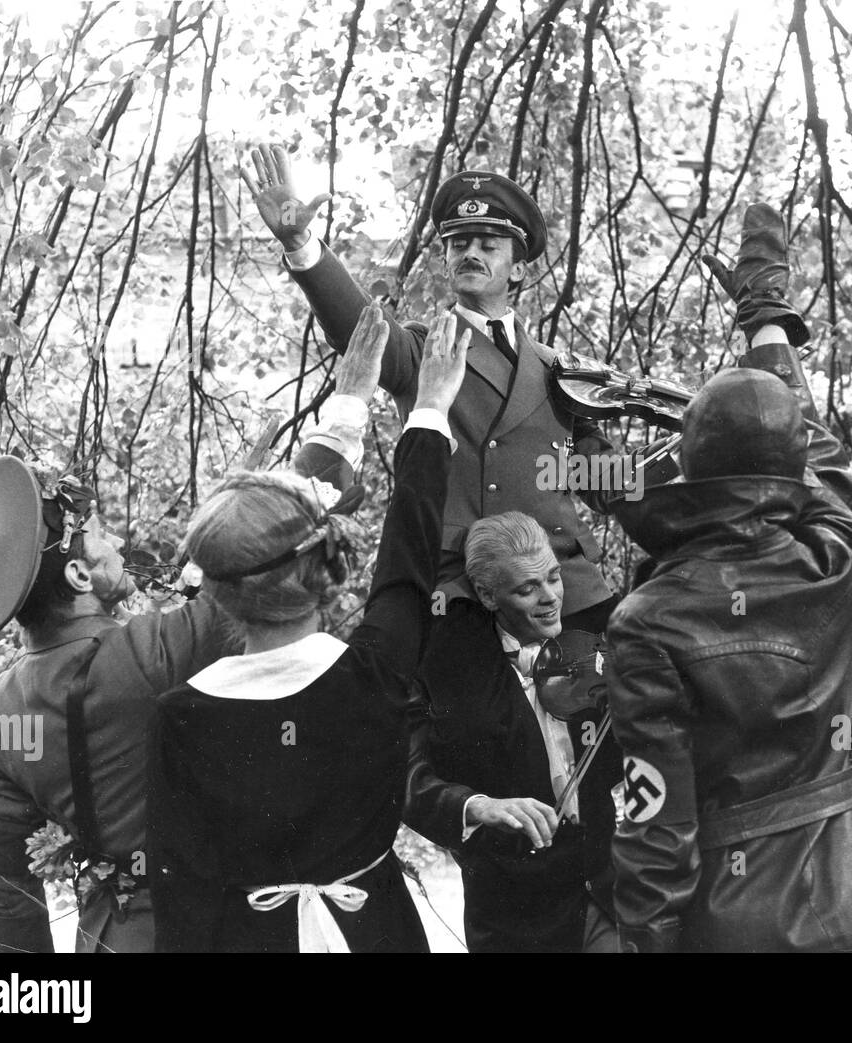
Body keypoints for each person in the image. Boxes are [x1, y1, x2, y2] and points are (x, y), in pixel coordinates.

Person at [0, 313, 382, 954]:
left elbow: (3, 886)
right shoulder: (150, 656)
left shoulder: (2, 707)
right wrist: (348, 407)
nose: (117, 542)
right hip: (205, 929)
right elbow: (268, 551)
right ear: (78, 575)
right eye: (100, 536)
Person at [243, 146, 675, 634]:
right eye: (460, 243)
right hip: (461, 587)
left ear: (518, 269)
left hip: (562, 582)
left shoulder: (559, 371)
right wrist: (301, 244)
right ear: (447, 261)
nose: (471, 253)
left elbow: (601, 482)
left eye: (488, 245)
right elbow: (360, 327)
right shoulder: (424, 351)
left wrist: (682, 450)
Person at [146, 308, 467, 953]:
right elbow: (409, 553)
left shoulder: (178, 715)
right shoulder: (376, 673)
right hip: (377, 933)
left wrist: (348, 408)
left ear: (215, 593)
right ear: (327, 572)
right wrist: (429, 409)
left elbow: (179, 892)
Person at [605, 363, 852, 952]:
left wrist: (647, 942)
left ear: (689, 463)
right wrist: (764, 407)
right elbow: (831, 477)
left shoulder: (647, 618)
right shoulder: (838, 564)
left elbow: (656, 820)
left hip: (740, 917)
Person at [401, 511, 621, 952]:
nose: (550, 597)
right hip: (516, 911)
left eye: (554, 578)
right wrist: (478, 806)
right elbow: (404, 777)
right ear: (487, 595)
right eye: (527, 588)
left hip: (606, 890)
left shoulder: (593, 648)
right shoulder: (447, 670)